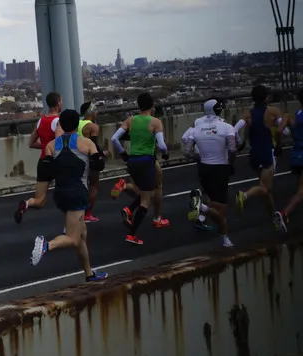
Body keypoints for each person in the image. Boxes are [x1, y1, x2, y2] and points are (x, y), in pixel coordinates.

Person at [30, 110, 108, 282]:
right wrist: (101, 156)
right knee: (73, 238)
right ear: (77, 124)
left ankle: (89, 274)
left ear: (62, 125)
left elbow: (47, 170)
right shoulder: (86, 143)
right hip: (77, 193)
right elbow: (98, 165)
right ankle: (46, 246)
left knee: (81, 236)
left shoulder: (51, 145)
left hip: (60, 193)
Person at [111, 93, 171, 245]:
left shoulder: (131, 120)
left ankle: (129, 208)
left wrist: (123, 153)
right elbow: (162, 145)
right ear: (152, 105)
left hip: (132, 161)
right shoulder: (156, 122)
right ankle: (131, 234)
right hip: (146, 161)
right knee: (146, 200)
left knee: (144, 191)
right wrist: (165, 154)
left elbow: (114, 139)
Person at [182, 98, 237, 248]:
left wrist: (199, 157)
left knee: (213, 199)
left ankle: (203, 211)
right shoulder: (227, 127)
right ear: (218, 110)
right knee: (222, 209)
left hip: (204, 168)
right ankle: (223, 237)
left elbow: (187, 151)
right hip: (221, 168)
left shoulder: (196, 128)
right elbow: (232, 149)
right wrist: (230, 163)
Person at [233, 84, 283, 229]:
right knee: (265, 187)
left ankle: (274, 217)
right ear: (266, 97)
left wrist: (240, 143)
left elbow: (234, 130)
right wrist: (279, 145)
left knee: (267, 189)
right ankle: (244, 196)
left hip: (254, 153)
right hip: (268, 151)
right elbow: (282, 130)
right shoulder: (273, 111)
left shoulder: (248, 114)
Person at [15, 92, 63, 224]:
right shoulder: (58, 121)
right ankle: (70, 226)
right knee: (69, 195)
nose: (62, 103)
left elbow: (31, 143)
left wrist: (45, 146)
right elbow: (58, 145)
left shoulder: (41, 120)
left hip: (43, 162)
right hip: (56, 162)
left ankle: (26, 203)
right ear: (58, 103)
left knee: (40, 200)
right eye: (61, 101)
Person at [275, 88, 303, 230]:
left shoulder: (295, 115)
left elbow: (279, 130)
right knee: (301, 191)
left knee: (299, 189)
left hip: (296, 155)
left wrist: (279, 146)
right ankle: (284, 213)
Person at [77, 102, 104, 223]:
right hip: (89, 158)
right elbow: (94, 145)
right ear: (91, 112)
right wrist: (103, 153)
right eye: (95, 110)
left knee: (81, 186)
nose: (97, 112)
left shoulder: (77, 123)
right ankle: (87, 214)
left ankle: (77, 212)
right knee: (93, 186)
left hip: (77, 158)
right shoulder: (93, 127)